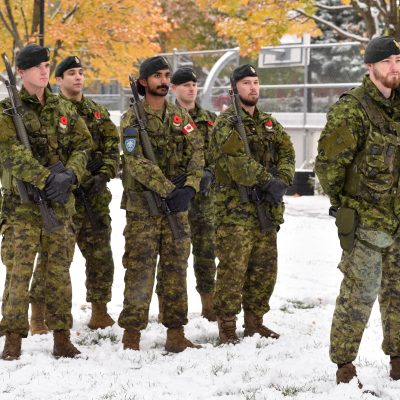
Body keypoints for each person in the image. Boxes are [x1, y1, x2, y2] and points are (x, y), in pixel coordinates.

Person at [315, 35, 400, 385]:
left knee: (397, 293)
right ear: (370, 67)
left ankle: (398, 359)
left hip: (398, 219)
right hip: (366, 220)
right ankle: (344, 365)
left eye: (398, 60)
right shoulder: (352, 108)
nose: (395, 68)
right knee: (359, 294)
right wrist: (346, 206)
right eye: (387, 62)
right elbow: (328, 165)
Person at [0, 44, 92, 360]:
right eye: (36, 66)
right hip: (22, 207)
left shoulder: (62, 108)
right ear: (22, 72)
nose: (44, 70)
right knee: (19, 273)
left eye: (47, 65)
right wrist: (47, 178)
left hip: (58, 204)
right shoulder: (7, 110)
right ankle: (12, 338)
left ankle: (62, 337)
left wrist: (70, 176)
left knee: (59, 272)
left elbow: (84, 145)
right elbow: (10, 152)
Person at [118, 56, 204, 352]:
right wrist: (168, 188)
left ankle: (176, 333)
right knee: (140, 271)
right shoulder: (132, 118)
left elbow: (197, 151)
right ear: (143, 82)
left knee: (176, 270)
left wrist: (190, 186)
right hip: (144, 209)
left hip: (177, 207)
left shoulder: (180, 117)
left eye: (167, 75)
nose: (164, 81)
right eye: (157, 76)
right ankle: (132, 335)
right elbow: (134, 160)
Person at [29, 56, 119, 333]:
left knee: (100, 255)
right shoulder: (51, 110)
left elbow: (113, 148)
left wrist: (103, 173)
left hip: (93, 198)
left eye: (81, 72)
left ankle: (100, 312)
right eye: (71, 73)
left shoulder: (97, 112)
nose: (78, 77)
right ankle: (39, 315)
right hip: (61, 198)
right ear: (59, 80)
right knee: (53, 257)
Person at [209, 64, 295, 344]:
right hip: (235, 210)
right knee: (233, 270)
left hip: (265, 209)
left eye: (256, 82)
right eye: (246, 83)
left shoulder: (268, 122)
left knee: (264, 268)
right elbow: (236, 162)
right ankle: (227, 326)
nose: (253, 88)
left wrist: (281, 179)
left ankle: (255, 321)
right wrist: (267, 181)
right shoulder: (226, 123)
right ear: (234, 88)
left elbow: (287, 150)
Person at [166, 67, 217, 321]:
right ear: (173, 88)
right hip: (176, 198)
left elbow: (221, 154)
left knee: (206, 252)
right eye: (184, 84)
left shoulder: (210, 119)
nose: (191, 88)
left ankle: (209, 304)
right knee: (174, 255)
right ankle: (169, 307)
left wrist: (210, 172)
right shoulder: (166, 118)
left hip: (204, 200)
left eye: (193, 84)